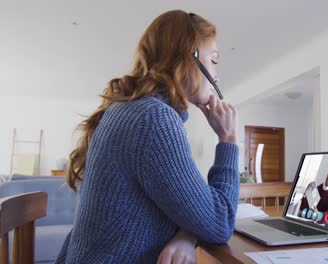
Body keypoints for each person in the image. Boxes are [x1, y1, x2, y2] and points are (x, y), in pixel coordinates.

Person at [56, 10, 239, 264]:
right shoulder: (154, 121)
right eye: (214, 60)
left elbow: (189, 206)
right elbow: (220, 222)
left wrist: (187, 234)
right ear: (189, 56)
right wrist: (228, 139)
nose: (216, 75)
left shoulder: (131, 110)